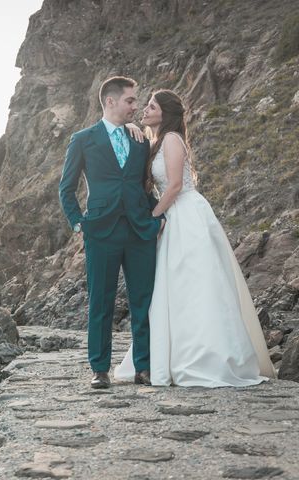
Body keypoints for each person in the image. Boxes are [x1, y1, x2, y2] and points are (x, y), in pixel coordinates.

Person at [114, 89, 276, 387]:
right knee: (173, 285)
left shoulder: (173, 139)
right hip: (172, 215)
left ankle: (207, 357)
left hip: (186, 214)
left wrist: (153, 218)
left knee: (197, 283)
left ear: (165, 112)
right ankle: (173, 355)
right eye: (145, 105)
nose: (145, 110)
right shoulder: (155, 141)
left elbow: (174, 186)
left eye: (151, 106)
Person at [59, 76, 164, 389]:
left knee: (144, 301)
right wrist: (79, 222)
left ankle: (143, 368)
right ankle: (99, 369)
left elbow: (146, 184)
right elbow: (66, 187)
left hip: (139, 229)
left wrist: (157, 219)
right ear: (110, 101)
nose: (136, 106)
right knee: (100, 302)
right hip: (100, 230)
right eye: (131, 100)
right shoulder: (83, 139)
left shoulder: (139, 138)